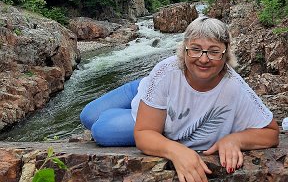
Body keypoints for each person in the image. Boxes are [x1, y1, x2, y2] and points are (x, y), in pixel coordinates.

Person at [80, 16, 279, 182]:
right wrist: (176, 151)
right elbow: (145, 132)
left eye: (213, 51)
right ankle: (144, 93)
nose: (203, 58)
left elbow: (270, 132)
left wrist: (235, 139)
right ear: (184, 49)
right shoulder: (167, 71)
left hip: (161, 107)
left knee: (100, 129)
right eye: (195, 49)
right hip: (152, 90)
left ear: (225, 53)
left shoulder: (234, 86)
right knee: (87, 116)